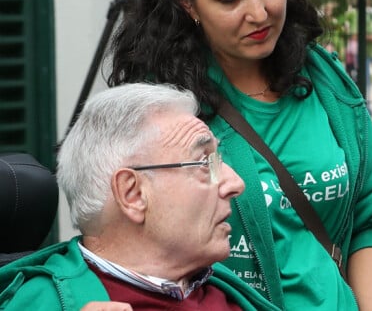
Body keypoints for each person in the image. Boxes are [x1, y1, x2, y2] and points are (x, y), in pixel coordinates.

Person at [107, 0, 372, 310]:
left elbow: (369, 212)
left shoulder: (325, 80)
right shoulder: (158, 107)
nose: (259, 13)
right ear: (186, 0)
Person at [0, 83, 280, 310]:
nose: (235, 183)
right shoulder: (44, 303)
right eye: (205, 163)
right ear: (132, 194)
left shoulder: (226, 291)